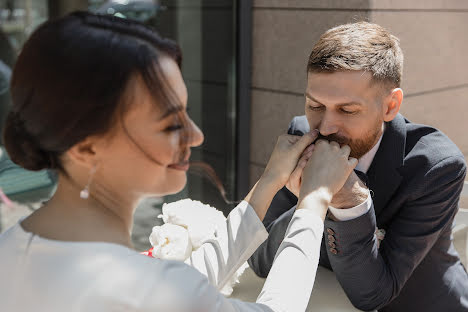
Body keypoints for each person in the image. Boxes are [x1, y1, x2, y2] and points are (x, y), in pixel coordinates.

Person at [0, 12, 358, 311]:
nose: (197, 135)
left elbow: (190, 284)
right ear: (85, 147)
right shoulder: (143, 290)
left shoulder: (14, 249)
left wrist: (267, 184)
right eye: (172, 123)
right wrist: (314, 201)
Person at [248, 22, 468, 312]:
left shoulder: (437, 166)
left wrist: (347, 198)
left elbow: (373, 294)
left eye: (347, 110)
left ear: (390, 106)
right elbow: (260, 260)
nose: (325, 126)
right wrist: (313, 200)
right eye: (315, 106)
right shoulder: (302, 133)